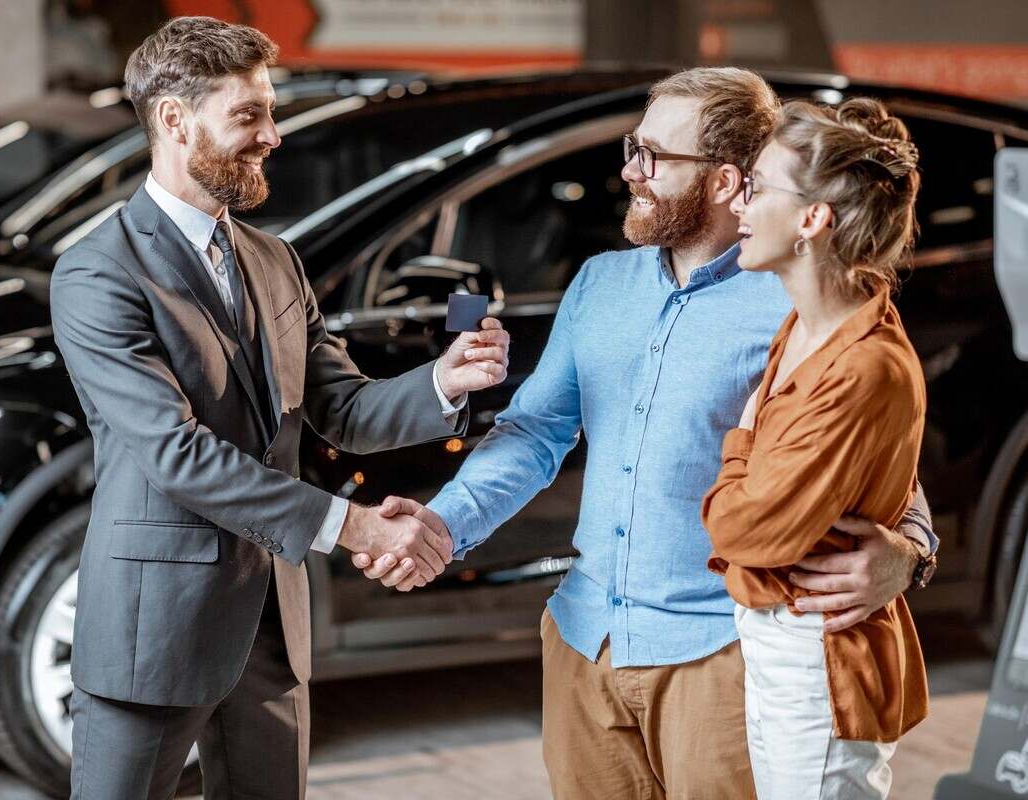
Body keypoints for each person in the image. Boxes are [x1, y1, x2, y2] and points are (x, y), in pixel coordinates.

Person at [355, 68, 938, 799]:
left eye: (652, 156)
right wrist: (443, 524)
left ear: (726, 181)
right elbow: (535, 434)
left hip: (720, 653)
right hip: (583, 638)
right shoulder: (601, 283)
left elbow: (878, 452)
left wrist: (910, 552)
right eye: (633, 147)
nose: (629, 170)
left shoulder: (793, 294)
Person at [49, 17, 510, 800]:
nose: (272, 136)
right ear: (173, 119)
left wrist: (442, 382)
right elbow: (177, 455)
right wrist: (353, 526)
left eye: (271, 112)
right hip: (153, 629)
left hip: (271, 626)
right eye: (248, 115)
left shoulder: (273, 258)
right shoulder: (98, 274)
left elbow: (342, 407)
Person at [702, 97, 927, 799]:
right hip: (781, 640)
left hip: (818, 656)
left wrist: (739, 440)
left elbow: (743, 529)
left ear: (811, 219)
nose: (739, 199)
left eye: (759, 185)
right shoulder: (809, 323)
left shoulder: (860, 364)